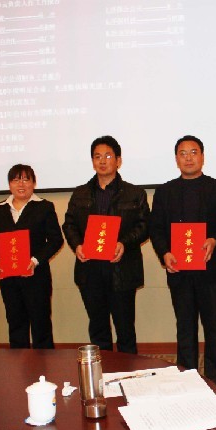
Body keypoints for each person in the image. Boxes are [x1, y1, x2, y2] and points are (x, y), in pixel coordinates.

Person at [149, 135, 216, 387]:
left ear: (203, 157)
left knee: (214, 324)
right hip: (179, 269)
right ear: (176, 159)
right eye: (183, 153)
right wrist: (164, 252)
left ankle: (215, 377)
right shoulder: (164, 192)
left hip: (211, 269)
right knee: (185, 325)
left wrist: (215, 240)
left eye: (194, 152)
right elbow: (156, 228)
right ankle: (187, 374)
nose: (188, 158)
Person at [62, 135, 150, 353]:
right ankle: (103, 370)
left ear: (118, 161)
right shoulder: (80, 193)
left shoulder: (135, 193)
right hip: (90, 270)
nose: (102, 161)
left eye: (108, 156)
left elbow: (144, 226)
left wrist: (124, 243)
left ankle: (128, 370)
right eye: (97, 156)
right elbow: (69, 224)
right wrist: (77, 245)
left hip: (121, 269)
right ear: (92, 161)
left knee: (125, 328)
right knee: (98, 328)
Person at [0, 164, 64, 349]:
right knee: (15, 324)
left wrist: (35, 261)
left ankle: (44, 363)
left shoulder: (44, 207)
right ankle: (18, 364)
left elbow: (56, 240)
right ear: (9, 184)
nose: (21, 184)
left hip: (36, 276)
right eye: (15, 180)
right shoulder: (0, 208)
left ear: (34, 183)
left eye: (26, 179)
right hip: (8, 278)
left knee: (41, 324)